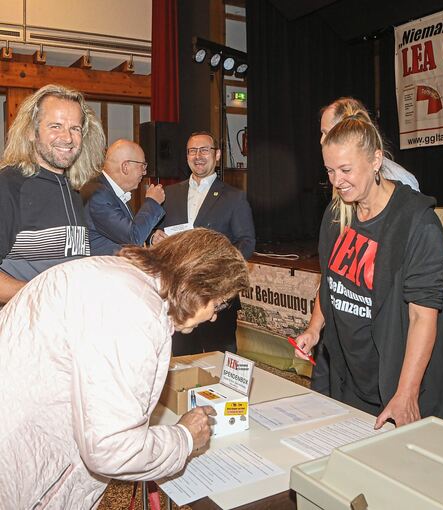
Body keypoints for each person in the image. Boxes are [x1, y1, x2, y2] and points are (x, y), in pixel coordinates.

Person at [0, 228, 250, 508]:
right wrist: (184, 438)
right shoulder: (135, 313)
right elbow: (111, 448)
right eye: (217, 304)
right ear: (197, 287)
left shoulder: (117, 277)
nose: (214, 317)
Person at [295, 111, 443, 431]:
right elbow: (331, 282)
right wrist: (314, 329)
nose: (337, 181)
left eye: (346, 170)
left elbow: (424, 316)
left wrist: (406, 392)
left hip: (400, 379)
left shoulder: (416, 222)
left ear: (376, 160)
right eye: (330, 171)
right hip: (352, 376)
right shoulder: (337, 214)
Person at [0, 84, 105, 304]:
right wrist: (45, 292)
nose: (67, 138)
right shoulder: (8, 184)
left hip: (66, 328)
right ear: (31, 131)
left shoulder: (72, 189)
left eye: (75, 128)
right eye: (55, 126)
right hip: (25, 330)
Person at [154, 131, 255, 355]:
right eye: (192, 151)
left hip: (217, 297)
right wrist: (155, 237)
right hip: (178, 296)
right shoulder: (168, 194)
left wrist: (220, 274)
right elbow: (154, 231)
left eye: (204, 150)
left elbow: (246, 243)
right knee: (179, 362)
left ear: (217, 155)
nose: (198, 156)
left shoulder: (234, 197)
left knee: (219, 359)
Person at [84, 139, 165, 255]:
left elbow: (121, 231)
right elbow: (132, 238)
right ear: (125, 167)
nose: (144, 172)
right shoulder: (99, 195)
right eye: (142, 166)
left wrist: (150, 237)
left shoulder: (111, 191)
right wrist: (152, 202)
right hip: (106, 270)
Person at [320, 97, 420, 190]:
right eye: (330, 171)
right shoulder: (341, 180)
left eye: (327, 134)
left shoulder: (400, 180)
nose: (322, 140)